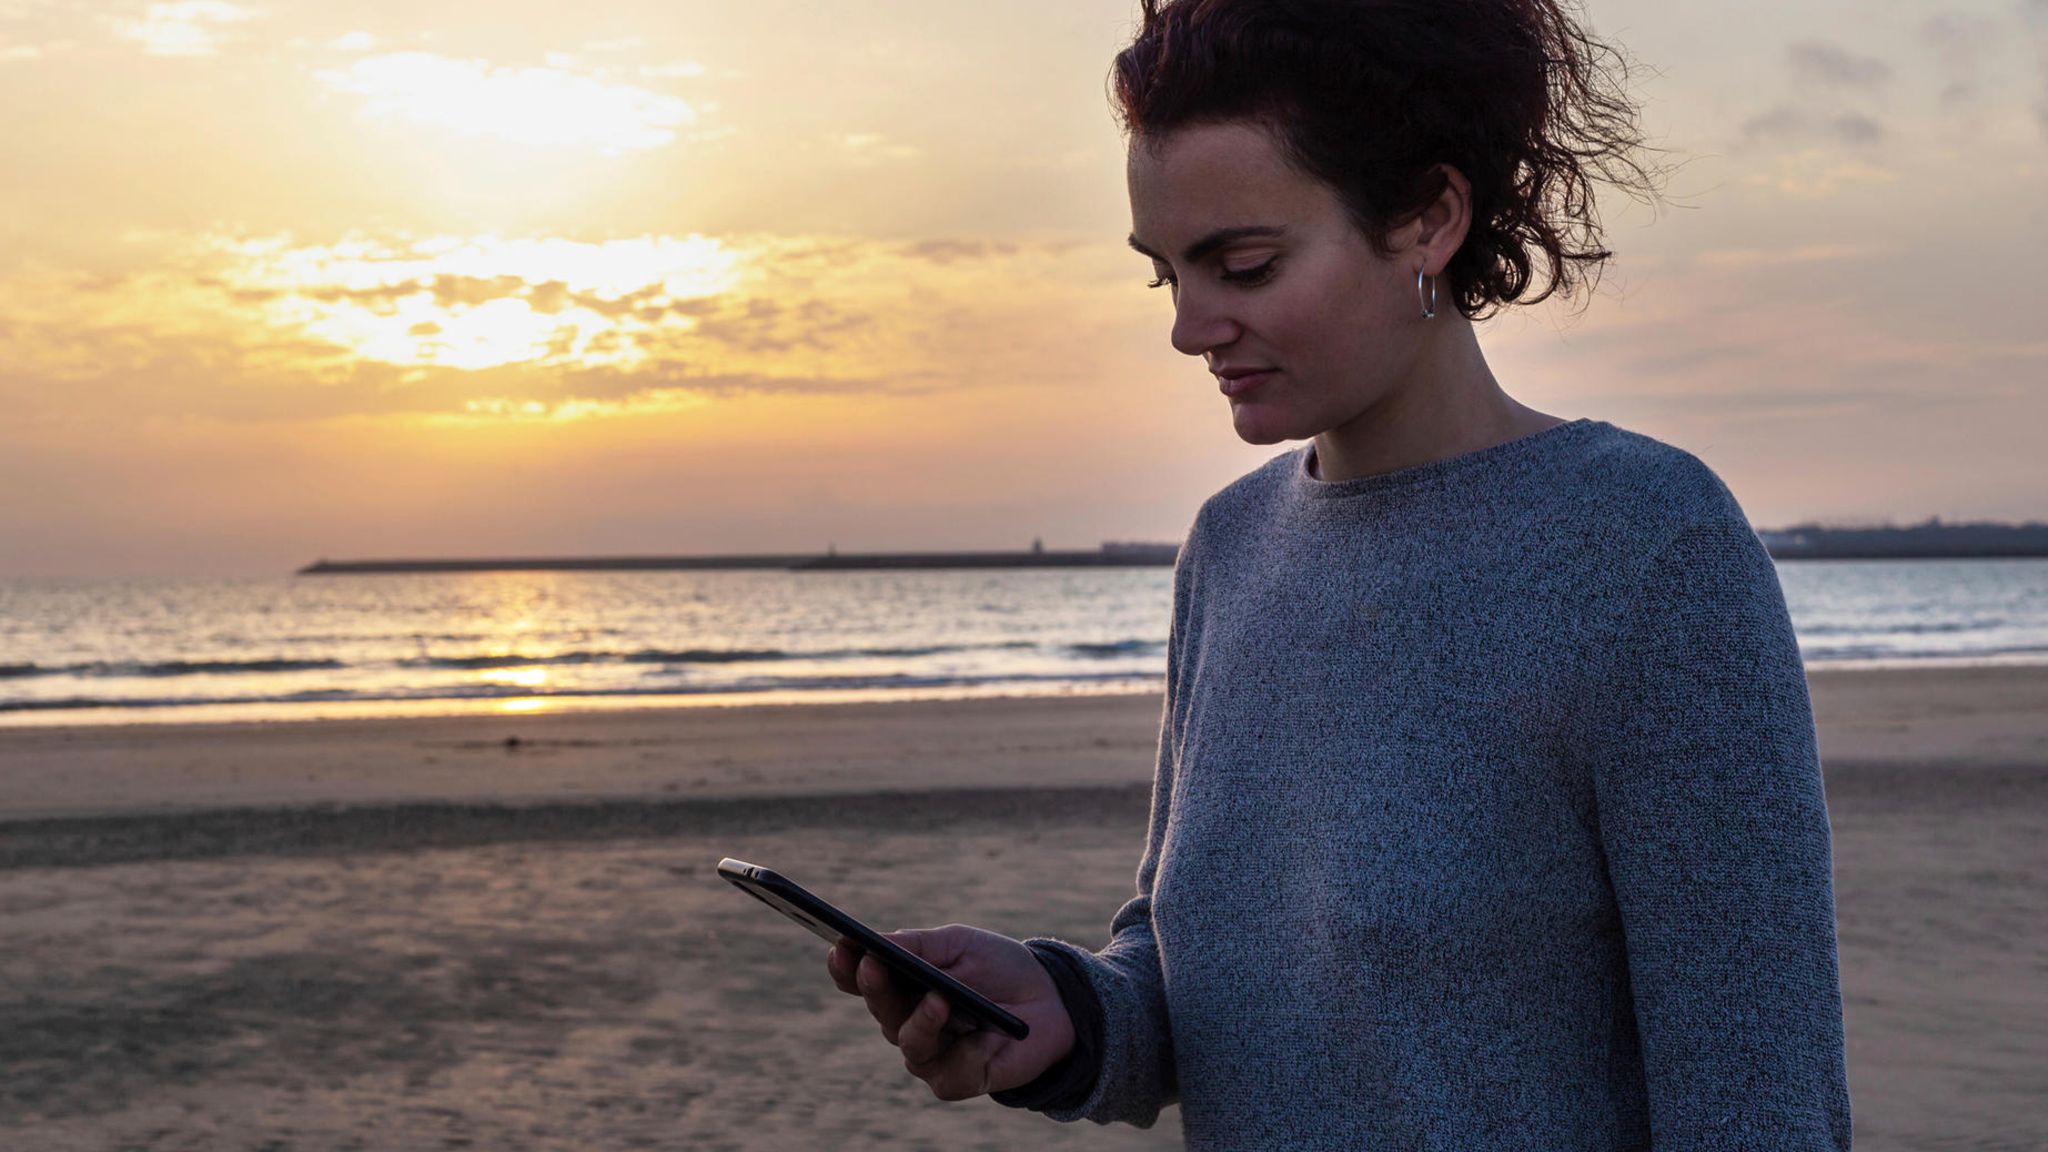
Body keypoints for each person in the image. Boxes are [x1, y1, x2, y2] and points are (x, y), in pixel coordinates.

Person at [826, 0, 1853, 1146]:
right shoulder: (1229, 549)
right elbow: (1212, 980)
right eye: (1166, 276)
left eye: (1244, 266)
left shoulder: (1643, 547)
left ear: (1428, 217)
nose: (1190, 328)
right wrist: (1066, 1013)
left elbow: (1759, 1100)